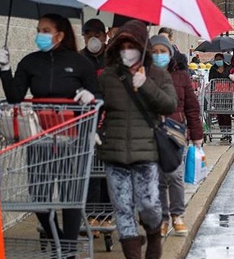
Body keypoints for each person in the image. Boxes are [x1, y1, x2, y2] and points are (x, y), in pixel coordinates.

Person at [0, 13, 100, 256]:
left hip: (70, 137)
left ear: (60, 35)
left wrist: (90, 97)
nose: (40, 34)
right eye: (38, 30)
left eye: (45, 30)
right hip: (39, 137)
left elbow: (98, 95)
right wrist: (5, 69)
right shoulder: (30, 62)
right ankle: (59, 240)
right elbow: (15, 96)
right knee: (39, 195)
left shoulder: (80, 62)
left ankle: (69, 251)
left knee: (69, 195)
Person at [97, 20, 177, 259]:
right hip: (114, 154)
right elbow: (97, 105)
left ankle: (153, 234)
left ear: (143, 47)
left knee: (150, 205)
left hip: (146, 153)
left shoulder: (159, 75)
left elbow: (170, 104)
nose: (127, 51)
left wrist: (146, 85)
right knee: (122, 210)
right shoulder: (108, 77)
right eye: (122, 46)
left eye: (132, 46)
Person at [150, 36, 203, 237]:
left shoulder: (181, 76)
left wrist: (197, 135)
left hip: (176, 132)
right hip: (153, 131)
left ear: (170, 54)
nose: (158, 56)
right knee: (157, 177)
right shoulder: (144, 74)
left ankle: (177, 215)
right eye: (154, 51)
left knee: (174, 175)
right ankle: (163, 217)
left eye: (162, 51)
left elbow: (192, 107)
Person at [80, 18, 110, 237]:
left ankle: (107, 215)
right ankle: (91, 214)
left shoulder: (113, 59)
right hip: (87, 123)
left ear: (105, 35)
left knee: (108, 170)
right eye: (88, 35)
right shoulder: (79, 59)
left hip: (110, 121)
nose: (93, 39)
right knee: (90, 170)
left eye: (97, 35)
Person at [208, 53, 231, 140]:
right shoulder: (213, 68)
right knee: (220, 114)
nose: (218, 61)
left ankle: (228, 132)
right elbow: (210, 80)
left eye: (220, 59)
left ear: (223, 59)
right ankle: (223, 132)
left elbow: (229, 77)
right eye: (217, 59)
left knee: (226, 113)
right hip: (217, 93)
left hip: (227, 94)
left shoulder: (228, 67)